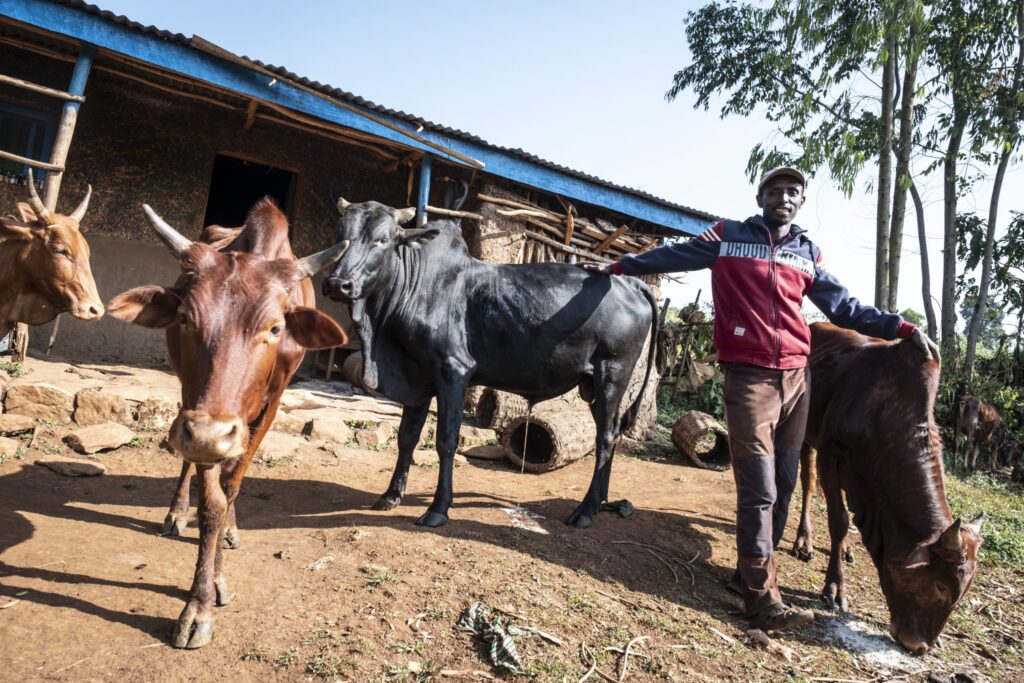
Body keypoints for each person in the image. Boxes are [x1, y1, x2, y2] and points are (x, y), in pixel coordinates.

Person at [580, 167, 937, 632]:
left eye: (793, 191)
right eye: (775, 190)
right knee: (758, 489)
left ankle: (744, 576)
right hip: (750, 381)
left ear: (801, 202)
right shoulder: (727, 235)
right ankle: (762, 601)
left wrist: (903, 328)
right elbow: (676, 254)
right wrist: (621, 265)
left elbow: (846, 308)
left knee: (786, 484)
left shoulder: (807, 253)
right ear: (760, 195)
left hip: (798, 381)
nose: (783, 197)